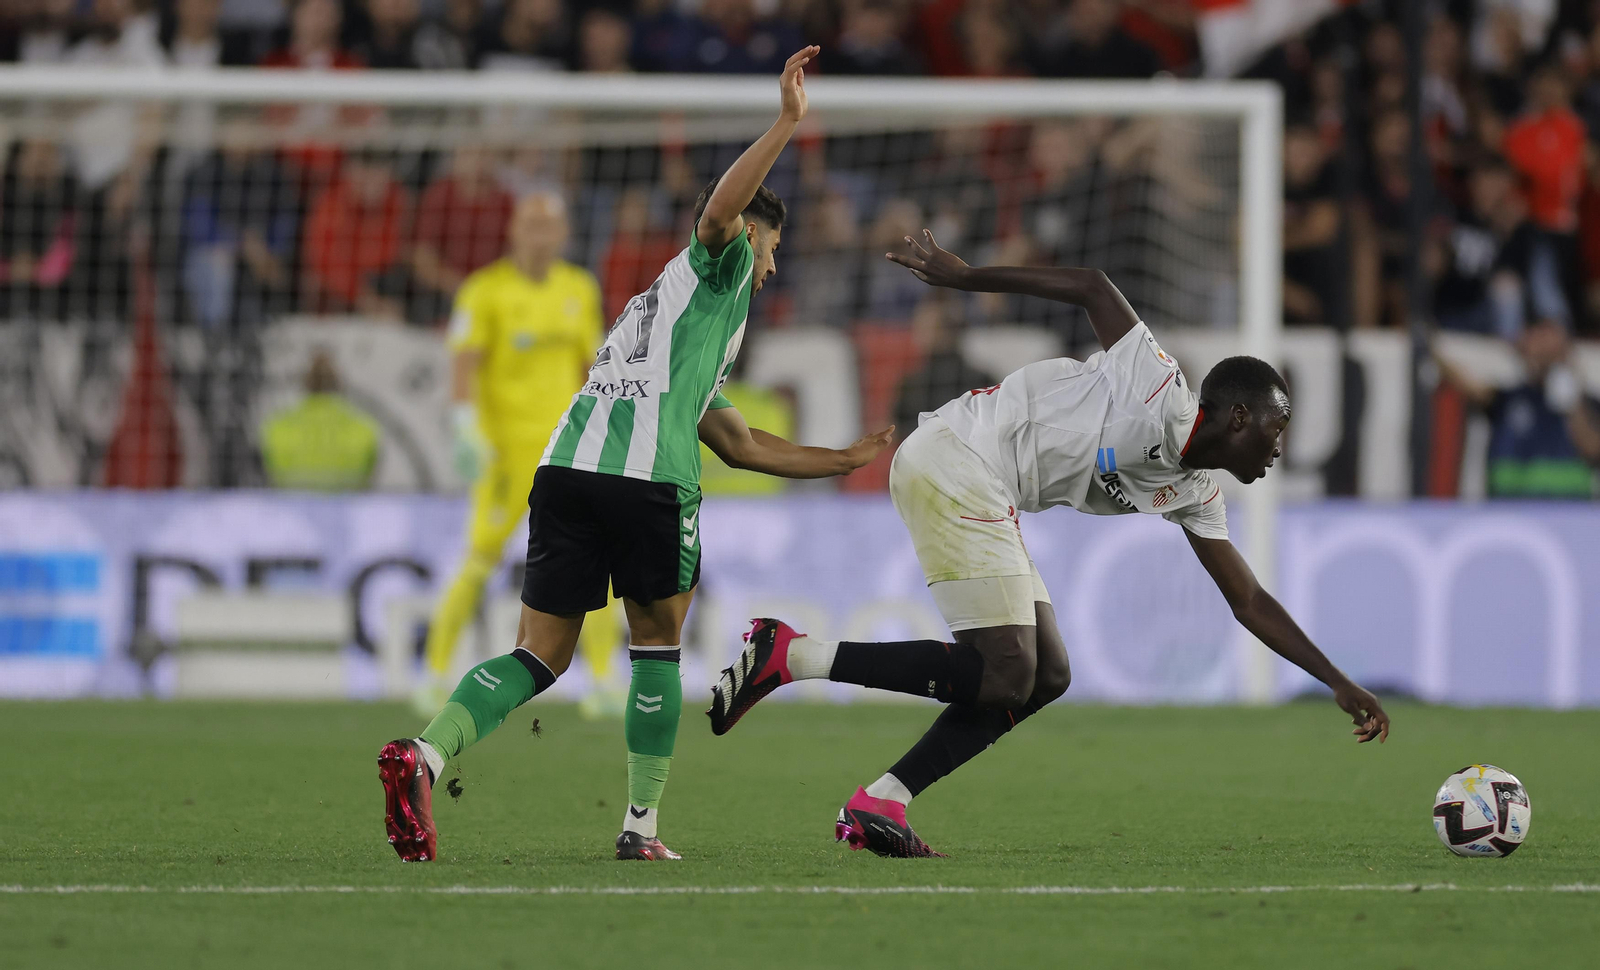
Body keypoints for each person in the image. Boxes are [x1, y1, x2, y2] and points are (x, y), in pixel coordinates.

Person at [706, 230, 1392, 858]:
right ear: (1238, 417)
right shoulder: (1159, 390)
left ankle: (881, 801)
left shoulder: (1195, 489)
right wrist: (964, 277)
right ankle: (790, 656)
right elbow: (1094, 283)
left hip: (983, 482)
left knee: (1046, 675)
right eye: (1276, 428)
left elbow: (1248, 600)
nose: (1280, 447)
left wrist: (1337, 681)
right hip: (958, 455)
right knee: (1007, 669)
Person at [378, 47, 895, 864]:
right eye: (773, 249)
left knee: (538, 653)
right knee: (656, 645)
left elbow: (736, 439)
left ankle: (425, 754)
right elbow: (721, 214)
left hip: (564, 470)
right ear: (755, 236)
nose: (771, 267)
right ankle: (641, 830)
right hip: (647, 480)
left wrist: (838, 461)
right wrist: (787, 122)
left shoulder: (673, 320)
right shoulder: (718, 265)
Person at [414, 191, 624, 721]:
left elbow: (589, 368)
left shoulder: (579, 288)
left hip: (566, 455)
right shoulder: (485, 291)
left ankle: (602, 681)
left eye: (549, 226)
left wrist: (604, 431)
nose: (540, 235)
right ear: (513, 231)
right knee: (480, 560)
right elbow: (465, 363)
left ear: (563, 234)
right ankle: (433, 673)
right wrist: (466, 427)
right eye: (531, 224)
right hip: (505, 457)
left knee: (594, 566)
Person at [1436, 320, 1600, 498]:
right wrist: (1430, 348)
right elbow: (1467, 385)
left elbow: (1592, 448)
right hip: (1510, 510)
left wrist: (1572, 397)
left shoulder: (1584, 402)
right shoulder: (1510, 398)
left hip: (1567, 512)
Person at [260, 349, 380, 491]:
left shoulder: (277, 428)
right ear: (338, 383)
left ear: (306, 383)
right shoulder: (364, 429)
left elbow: (271, 471)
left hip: (293, 509)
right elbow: (368, 474)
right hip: (344, 509)